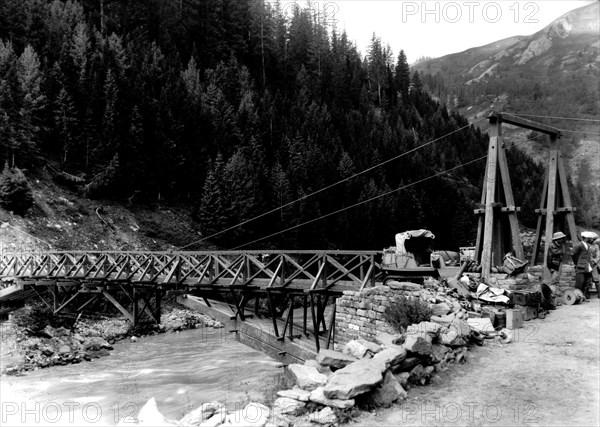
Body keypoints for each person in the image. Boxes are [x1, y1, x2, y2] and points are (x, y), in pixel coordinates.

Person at [572, 231, 595, 299]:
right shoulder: (579, 245)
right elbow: (574, 255)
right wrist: (577, 263)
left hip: (587, 267)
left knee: (587, 282)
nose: (591, 239)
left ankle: (583, 296)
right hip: (581, 267)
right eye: (590, 238)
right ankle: (577, 297)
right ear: (586, 238)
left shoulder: (587, 245)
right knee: (580, 282)